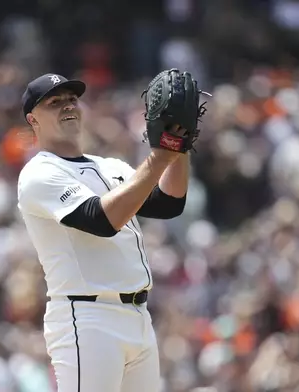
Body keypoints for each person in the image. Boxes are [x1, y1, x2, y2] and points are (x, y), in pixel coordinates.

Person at [16, 73, 191, 392]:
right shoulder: (39, 173)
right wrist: (159, 157)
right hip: (87, 318)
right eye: (54, 102)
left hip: (138, 316)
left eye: (71, 99)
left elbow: (168, 204)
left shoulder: (110, 166)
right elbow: (100, 220)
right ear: (33, 119)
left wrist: (180, 148)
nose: (67, 106)